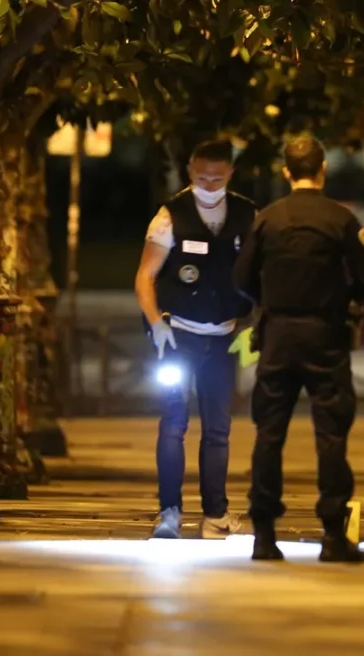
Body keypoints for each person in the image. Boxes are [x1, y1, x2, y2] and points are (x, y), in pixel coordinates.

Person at [234, 133, 364, 563]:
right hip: (326, 336)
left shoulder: (267, 220)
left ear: (285, 172)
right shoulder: (340, 219)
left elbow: (241, 278)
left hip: (277, 335)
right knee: (331, 435)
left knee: (268, 434)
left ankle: (264, 534)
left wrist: (268, 298)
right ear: (323, 169)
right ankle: (333, 535)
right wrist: (344, 297)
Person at [134, 139, 256, 539]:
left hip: (223, 337)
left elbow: (260, 273)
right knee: (173, 423)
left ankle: (215, 516)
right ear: (190, 171)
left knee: (218, 429)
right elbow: (145, 276)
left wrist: (252, 323)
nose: (209, 184)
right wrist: (156, 323)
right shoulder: (170, 216)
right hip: (178, 337)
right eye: (202, 177)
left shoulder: (245, 214)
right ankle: (169, 512)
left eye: (217, 178)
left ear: (230, 175)